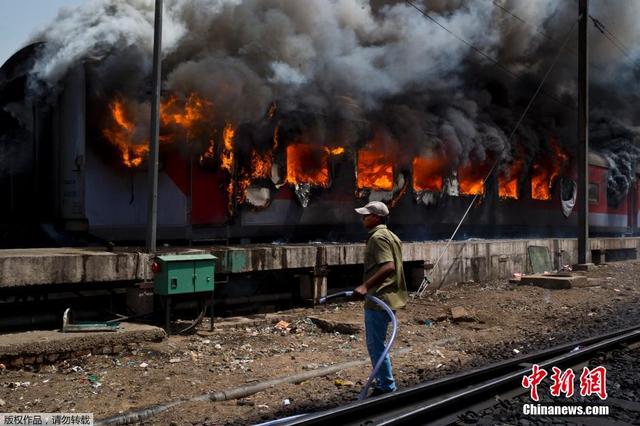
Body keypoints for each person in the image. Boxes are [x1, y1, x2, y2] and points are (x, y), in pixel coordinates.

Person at [353, 201, 408, 396]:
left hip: (379, 297)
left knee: (376, 345)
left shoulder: (378, 238)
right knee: (378, 344)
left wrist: (365, 286)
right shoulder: (391, 236)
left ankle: (386, 386)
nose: (363, 218)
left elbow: (389, 267)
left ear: (376, 217)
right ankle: (385, 383)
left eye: (366, 215)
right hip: (388, 297)